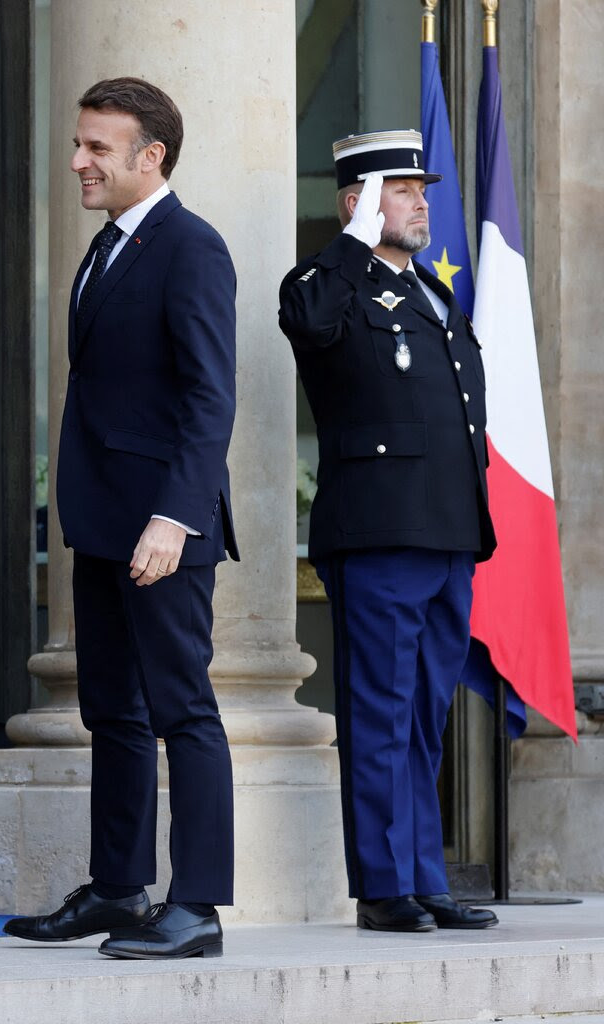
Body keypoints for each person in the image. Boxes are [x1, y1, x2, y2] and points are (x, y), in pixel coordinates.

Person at [3, 77, 238, 960]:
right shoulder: (105, 248)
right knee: (113, 711)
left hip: (161, 533)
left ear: (152, 157)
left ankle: (200, 908)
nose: (78, 161)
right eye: (78, 143)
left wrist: (175, 519)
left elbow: (211, 397)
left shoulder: (192, 248)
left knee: (185, 710)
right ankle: (117, 888)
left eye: (98, 148)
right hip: (103, 525)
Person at [278, 129, 498, 933]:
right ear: (358, 202)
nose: (419, 202)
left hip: (446, 535)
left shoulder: (433, 297)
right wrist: (348, 241)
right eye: (400, 190)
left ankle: (424, 875)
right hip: (378, 536)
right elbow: (307, 322)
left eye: (419, 190)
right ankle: (381, 887)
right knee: (378, 713)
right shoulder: (328, 284)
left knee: (423, 718)